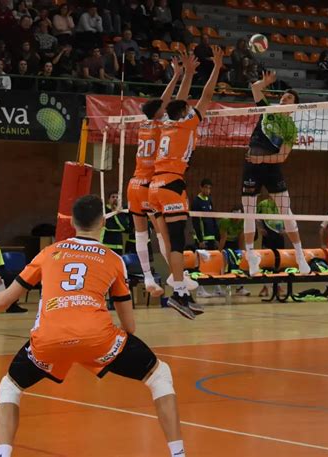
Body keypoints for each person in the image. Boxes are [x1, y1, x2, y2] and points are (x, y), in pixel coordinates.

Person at [0, 195, 187, 457]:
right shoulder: (113, 259)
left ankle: (2, 454)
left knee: (10, 386)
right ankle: (178, 454)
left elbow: (7, 298)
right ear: (103, 224)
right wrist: (102, 350)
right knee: (159, 375)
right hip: (99, 338)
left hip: (49, 341)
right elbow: (129, 325)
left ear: (72, 222)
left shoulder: (49, 252)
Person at [148, 46, 224, 320]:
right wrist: (216, 67)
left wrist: (187, 74)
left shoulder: (167, 124)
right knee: (179, 244)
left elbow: (178, 101)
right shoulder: (187, 123)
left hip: (154, 188)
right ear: (186, 113)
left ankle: (180, 295)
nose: (193, 108)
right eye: (189, 108)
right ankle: (178, 294)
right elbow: (206, 96)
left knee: (168, 243)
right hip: (171, 186)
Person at [127, 54, 197, 297]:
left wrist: (177, 74)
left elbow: (164, 102)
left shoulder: (143, 124)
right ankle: (178, 275)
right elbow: (173, 100)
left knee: (140, 233)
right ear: (159, 112)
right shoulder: (162, 125)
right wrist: (181, 75)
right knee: (162, 234)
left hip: (133, 183)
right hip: (151, 183)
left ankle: (148, 277)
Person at [241, 70, 311, 277]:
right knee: (249, 212)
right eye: (283, 95)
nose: (284, 98)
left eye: (289, 97)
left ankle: (299, 255)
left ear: (294, 106)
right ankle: (251, 257)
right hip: (251, 168)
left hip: (270, 167)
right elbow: (255, 88)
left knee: (285, 211)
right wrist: (265, 81)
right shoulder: (267, 110)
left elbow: (282, 157)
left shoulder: (291, 128)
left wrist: (261, 159)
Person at [191, 178, 221, 298]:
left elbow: (213, 219)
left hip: (211, 237)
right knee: (201, 264)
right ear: (201, 187)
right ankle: (200, 289)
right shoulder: (196, 202)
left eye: (210, 188)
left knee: (214, 262)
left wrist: (217, 237)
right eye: (206, 187)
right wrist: (199, 240)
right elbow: (196, 222)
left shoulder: (209, 200)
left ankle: (217, 288)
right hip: (202, 239)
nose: (208, 190)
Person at [256, 198, 285, 297]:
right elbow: (256, 217)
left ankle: (278, 286)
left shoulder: (283, 202)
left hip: (279, 236)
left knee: (279, 262)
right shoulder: (263, 203)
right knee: (266, 262)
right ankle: (265, 287)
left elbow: (287, 217)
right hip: (268, 236)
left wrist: (285, 229)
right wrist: (260, 228)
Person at [101, 191, 129, 256]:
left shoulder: (122, 211)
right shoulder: (104, 210)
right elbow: (106, 225)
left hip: (118, 245)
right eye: (113, 197)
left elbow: (124, 227)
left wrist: (116, 213)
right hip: (105, 243)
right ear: (108, 199)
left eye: (117, 197)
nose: (115, 199)